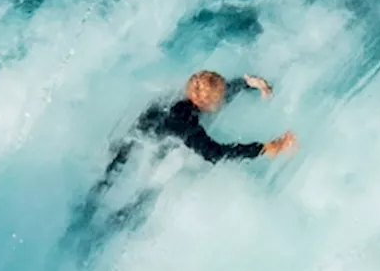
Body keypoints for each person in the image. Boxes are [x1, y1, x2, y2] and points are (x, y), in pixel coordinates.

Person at [66, 70, 297, 250]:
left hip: (125, 149)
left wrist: (249, 83)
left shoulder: (179, 97)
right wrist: (265, 148)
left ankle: (77, 227)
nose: (224, 98)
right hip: (133, 164)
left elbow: (215, 92)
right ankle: (91, 242)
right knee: (128, 209)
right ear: (206, 103)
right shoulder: (186, 124)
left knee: (98, 195)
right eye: (221, 98)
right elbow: (214, 154)